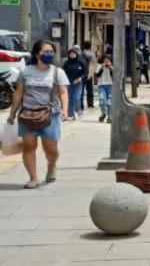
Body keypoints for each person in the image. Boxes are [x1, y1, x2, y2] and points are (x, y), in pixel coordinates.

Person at [7, 40, 69, 189]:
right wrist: (12, 113)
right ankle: (33, 177)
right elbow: (19, 93)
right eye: (45, 51)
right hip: (27, 114)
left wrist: (64, 110)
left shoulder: (57, 72)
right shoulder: (26, 71)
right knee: (29, 146)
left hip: (50, 114)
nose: (49, 54)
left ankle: (51, 166)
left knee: (51, 148)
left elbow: (63, 92)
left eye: (51, 52)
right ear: (36, 54)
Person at [63, 47, 87, 121]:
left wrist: (79, 79)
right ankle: (71, 115)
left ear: (76, 54)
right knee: (69, 99)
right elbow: (63, 72)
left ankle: (78, 109)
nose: (72, 55)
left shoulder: (80, 63)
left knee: (76, 97)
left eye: (73, 53)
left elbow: (85, 73)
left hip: (78, 83)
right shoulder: (67, 63)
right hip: (69, 83)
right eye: (70, 53)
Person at [97, 54, 114, 123]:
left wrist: (110, 68)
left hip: (110, 85)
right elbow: (97, 75)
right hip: (101, 85)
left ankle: (110, 115)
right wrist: (102, 68)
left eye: (108, 59)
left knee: (110, 102)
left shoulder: (113, 67)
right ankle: (103, 113)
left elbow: (113, 76)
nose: (106, 60)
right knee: (102, 100)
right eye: (105, 59)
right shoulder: (100, 66)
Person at [81, 40, 95, 109]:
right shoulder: (91, 54)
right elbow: (92, 64)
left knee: (81, 89)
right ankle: (90, 104)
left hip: (82, 73)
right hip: (88, 73)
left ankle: (81, 104)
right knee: (89, 89)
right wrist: (90, 73)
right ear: (90, 46)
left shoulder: (80, 54)